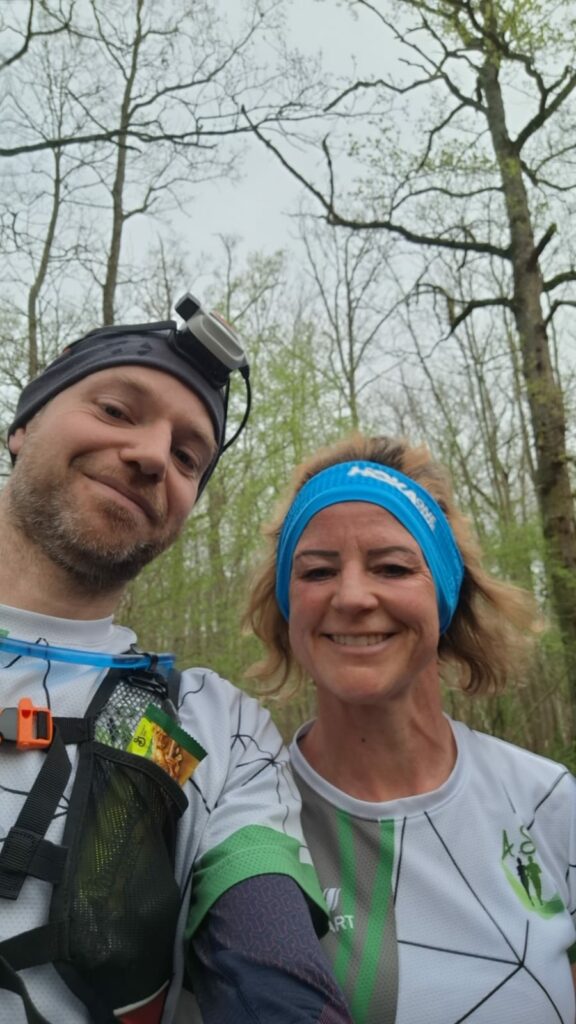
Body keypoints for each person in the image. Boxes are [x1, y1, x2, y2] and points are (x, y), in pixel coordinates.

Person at [0, 298, 353, 1024]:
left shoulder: (210, 731)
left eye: (188, 457)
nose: (153, 456)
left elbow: (271, 960)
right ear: (23, 425)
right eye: (116, 410)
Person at [246, 432, 576, 1024]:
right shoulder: (243, 814)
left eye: (393, 567)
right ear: (288, 604)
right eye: (317, 571)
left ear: (444, 592)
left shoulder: (547, 800)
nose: (352, 596)